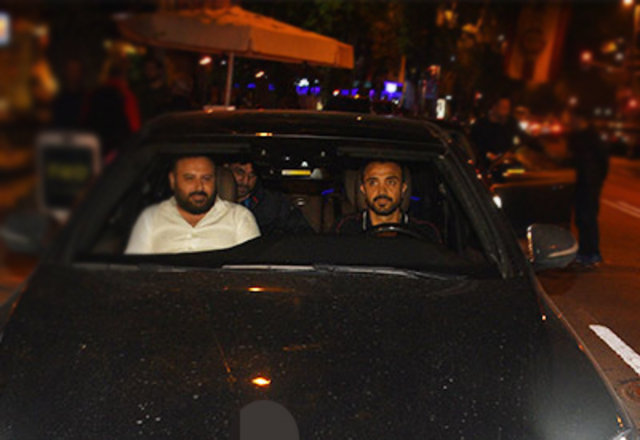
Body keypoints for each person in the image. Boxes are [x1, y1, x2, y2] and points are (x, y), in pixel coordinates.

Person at [125, 155, 260, 254]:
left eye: (206, 178)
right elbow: (131, 274)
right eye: (189, 178)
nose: (199, 187)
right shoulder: (151, 218)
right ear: (173, 180)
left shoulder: (240, 218)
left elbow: (252, 273)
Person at [333, 160, 440, 241]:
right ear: (363, 190)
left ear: (403, 189)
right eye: (373, 183)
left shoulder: (424, 232)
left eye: (391, 183)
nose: (382, 191)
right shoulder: (345, 228)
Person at [568, 108, 609, 267]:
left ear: (580, 119)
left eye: (572, 118)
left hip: (589, 183)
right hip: (581, 181)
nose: (570, 122)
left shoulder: (592, 137)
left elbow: (603, 160)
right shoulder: (577, 137)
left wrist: (597, 179)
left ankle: (591, 253)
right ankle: (586, 251)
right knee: (581, 218)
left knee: (588, 217)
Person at [226, 161, 313, 235]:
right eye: (240, 172)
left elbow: (304, 234)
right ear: (225, 169)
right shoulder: (217, 204)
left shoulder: (275, 203)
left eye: (252, 175)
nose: (245, 181)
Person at [469, 96, 536, 169]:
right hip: (486, 166)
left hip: (507, 165)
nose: (506, 111)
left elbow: (524, 136)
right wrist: (489, 155)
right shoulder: (481, 125)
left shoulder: (511, 122)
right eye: (503, 108)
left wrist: (539, 145)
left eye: (507, 108)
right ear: (494, 107)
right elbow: (474, 146)